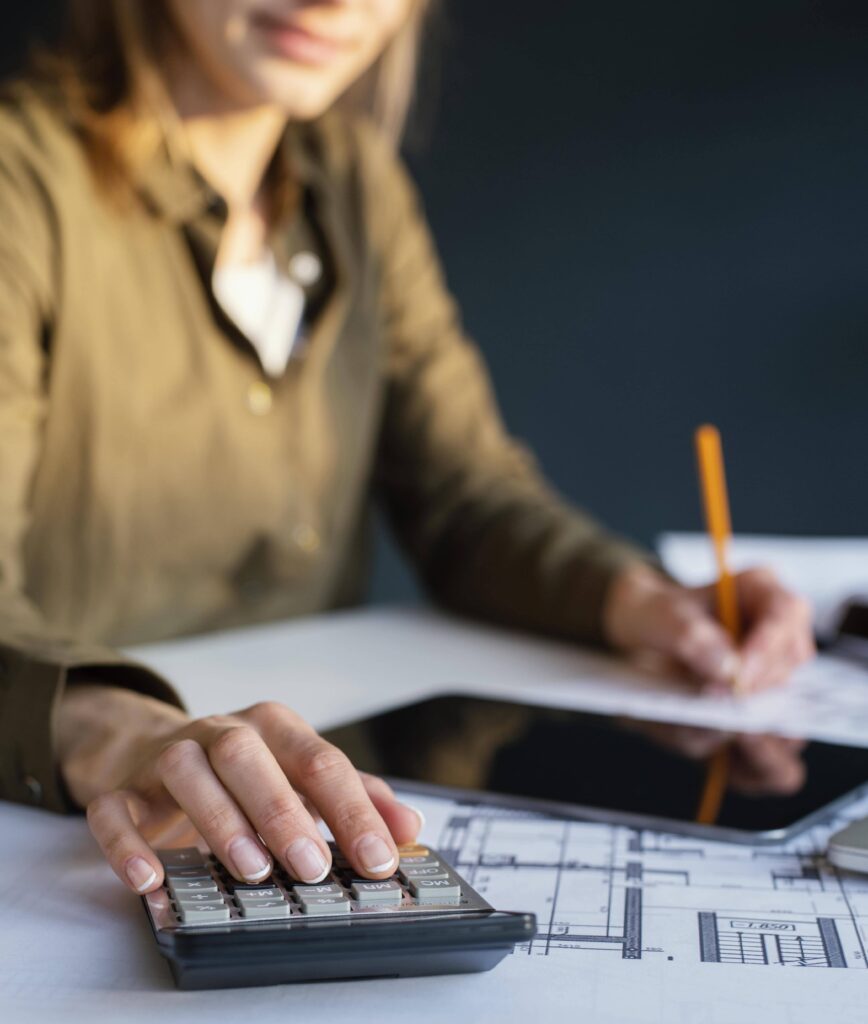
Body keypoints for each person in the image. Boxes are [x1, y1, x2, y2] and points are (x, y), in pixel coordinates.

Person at [0, 0, 813, 896]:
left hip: (315, 801)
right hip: (73, 837)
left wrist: (642, 603)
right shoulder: (21, 185)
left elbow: (464, 494)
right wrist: (112, 729)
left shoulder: (357, 186)